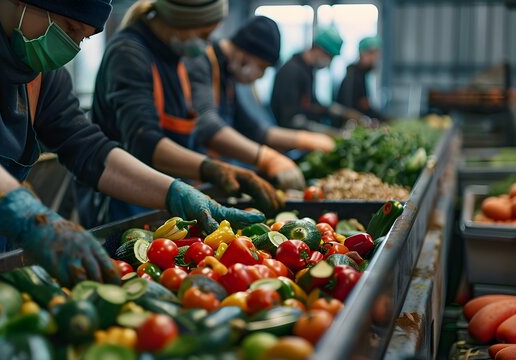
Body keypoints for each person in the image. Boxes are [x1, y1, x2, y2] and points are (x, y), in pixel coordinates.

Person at [0, 0, 264, 286]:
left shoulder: (41, 75)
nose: (73, 48)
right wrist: (26, 215)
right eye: (70, 27)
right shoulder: (129, 52)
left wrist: (176, 193)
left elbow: (87, 147)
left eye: (83, 38)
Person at [87, 0, 283, 228]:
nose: (207, 43)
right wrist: (214, 169)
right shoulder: (129, 53)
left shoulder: (175, 59)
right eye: (204, 34)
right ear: (178, 21)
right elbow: (145, 141)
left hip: (164, 198)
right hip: (124, 201)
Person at [185, 16, 335, 175]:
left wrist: (304, 139)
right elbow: (207, 126)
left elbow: (253, 129)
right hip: (192, 173)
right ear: (244, 55)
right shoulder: (201, 61)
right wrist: (265, 158)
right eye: (262, 67)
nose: (261, 76)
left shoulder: (228, 76)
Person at [271, 28, 363, 132]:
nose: (330, 62)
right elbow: (291, 120)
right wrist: (332, 133)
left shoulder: (307, 71)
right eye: (330, 56)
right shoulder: (292, 72)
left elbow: (312, 105)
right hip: (288, 137)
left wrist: (342, 112)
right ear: (318, 49)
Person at [336, 36, 386, 121]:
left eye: (377, 54)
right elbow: (348, 111)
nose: (375, 58)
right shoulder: (353, 78)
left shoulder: (362, 76)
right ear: (362, 53)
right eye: (371, 53)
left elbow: (366, 108)